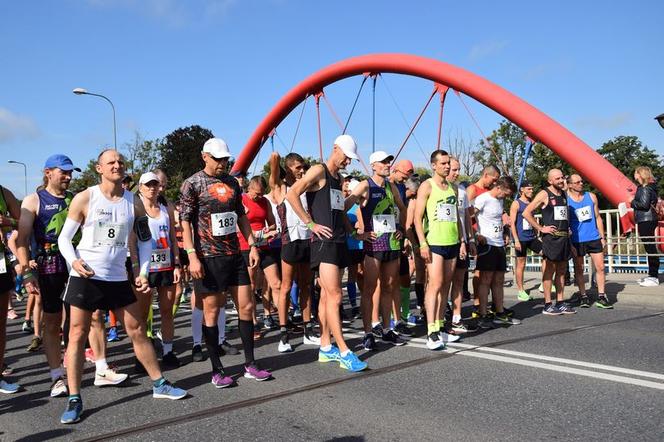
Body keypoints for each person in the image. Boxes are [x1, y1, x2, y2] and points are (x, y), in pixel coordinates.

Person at [57, 149, 186, 424]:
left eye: (120, 162)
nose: (117, 165)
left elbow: (143, 239)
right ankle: (74, 398)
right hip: (87, 275)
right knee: (78, 334)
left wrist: (142, 271)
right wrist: (74, 262)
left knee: (137, 328)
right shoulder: (86, 197)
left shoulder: (132, 202)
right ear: (99, 168)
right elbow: (64, 239)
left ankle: (160, 384)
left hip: (117, 276)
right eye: (111, 162)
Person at [180, 138, 272, 389]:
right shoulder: (193, 184)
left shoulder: (232, 182)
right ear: (205, 156)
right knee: (212, 311)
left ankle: (251, 364)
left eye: (225, 159)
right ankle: (217, 370)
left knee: (246, 305)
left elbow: (241, 216)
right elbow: (185, 221)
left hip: (235, 254)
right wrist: (191, 255)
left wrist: (252, 244)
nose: (223, 163)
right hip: (209, 257)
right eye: (218, 158)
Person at [286, 134, 367, 371]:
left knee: (325, 297)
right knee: (335, 295)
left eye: (351, 159)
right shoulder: (318, 170)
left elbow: (339, 209)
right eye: (346, 156)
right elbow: (292, 194)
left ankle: (325, 347)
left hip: (339, 241)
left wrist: (354, 232)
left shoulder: (338, 177)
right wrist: (309, 223)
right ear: (335, 149)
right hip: (323, 243)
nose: (348, 162)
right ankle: (343, 350)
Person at [346, 150, 408, 350]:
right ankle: (368, 332)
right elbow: (343, 208)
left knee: (390, 286)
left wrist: (401, 229)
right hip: (373, 245)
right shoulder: (366, 185)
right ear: (373, 165)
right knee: (370, 289)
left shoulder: (392, 186)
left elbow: (403, 208)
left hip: (391, 243)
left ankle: (388, 329)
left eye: (389, 162)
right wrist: (356, 234)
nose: (387, 165)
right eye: (383, 162)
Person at [413, 150, 466, 350]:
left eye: (448, 163)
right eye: (443, 163)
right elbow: (417, 218)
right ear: (433, 165)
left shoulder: (453, 188)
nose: (446, 166)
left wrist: (462, 240)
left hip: (452, 241)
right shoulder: (427, 186)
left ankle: (442, 326)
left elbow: (456, 218)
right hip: (434, 242)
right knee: (434, 284)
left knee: (446, 285)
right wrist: (422, 244)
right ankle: (431, 330)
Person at [270, 152, 321, 353]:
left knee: (306, 285)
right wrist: (275, 156)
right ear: (289, 168)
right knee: (286, 286)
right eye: (298, 167)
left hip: (307, 241)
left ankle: (308, 330)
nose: (302, 171)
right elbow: (274, 172)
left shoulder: (306, 187)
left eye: (303, 167)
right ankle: (284, 335)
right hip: (289, 242)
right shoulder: (281, 188)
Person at [136, 172, 183, 367]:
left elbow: (173, 238)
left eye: (155, 184)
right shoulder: (136, 208)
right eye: (148, 185)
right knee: (142, 313)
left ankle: (168, 352)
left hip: (166, 266)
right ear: (140, 187)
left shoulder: (166, 207)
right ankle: (141, 355)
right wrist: (136, 269)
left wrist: (178, 264)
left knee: (166, 311)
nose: (152, 188)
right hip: (146, 268)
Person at [522, 169, 576, 315]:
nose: (561, 180)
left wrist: (568, 233)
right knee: (549, 271)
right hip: (551, 239)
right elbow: (526, 212)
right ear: (550, 181)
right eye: (557, 178)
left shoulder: (564, 194)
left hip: (564, 238)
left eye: (562, 177)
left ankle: (560, 301)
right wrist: (541, 228)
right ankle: (547, 304)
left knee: (562, 271)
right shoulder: (544, 193)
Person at [473, 176, 521, 328]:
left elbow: (499, 219)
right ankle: (482, 314)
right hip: (486, 244)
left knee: (499, 280)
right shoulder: (483, 199)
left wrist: (505, 232)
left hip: (499, 244)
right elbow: (469, 216)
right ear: (499, 187)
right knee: (485, 279)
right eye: (506, 193)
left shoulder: (500, 201)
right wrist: (475, 235)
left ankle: (499, 312)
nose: (506, 197)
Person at [238, 176, 280, 332]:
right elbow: (239, 226)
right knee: (251, 286)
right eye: (256, 194)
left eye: (262, 193)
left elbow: (272, 221)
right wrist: (258, 234)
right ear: (249, 189)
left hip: (264, 246)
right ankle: (253, 321)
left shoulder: (265, 201)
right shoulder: (241, 200)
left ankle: (272, 316)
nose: (259, 197)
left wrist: (270, 230)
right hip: (246, 246)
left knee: (275, 283)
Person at [566, 174, 612, 308]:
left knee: (601, 267)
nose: (581, 183)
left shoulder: (591, 196)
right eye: (577, 182)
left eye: (581, 181)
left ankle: (602, 296)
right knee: (579, 269)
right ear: (570, 185)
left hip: (593, 237)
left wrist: (602, 237)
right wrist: (569, 242)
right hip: (577, 239)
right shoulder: (567, 201)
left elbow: (597, 217)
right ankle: (583, 296)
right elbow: (566, 222)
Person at [447, 158, 477, 334]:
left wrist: (470, 240)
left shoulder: (462, 190)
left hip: (462, 242)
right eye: (453, 169)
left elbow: (466, 217)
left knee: (458, 281)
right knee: (441, 283)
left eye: (458, 170)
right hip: (444, 242)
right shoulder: (434, 188)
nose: (457, 173)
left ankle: (457, 318)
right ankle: (440, 318)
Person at [466, 165, 500, 316]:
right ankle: (477, 303)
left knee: (490, 274)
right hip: (476, 236)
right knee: (479, 272)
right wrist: (474, 234)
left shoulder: (490, 192)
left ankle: (490, 304)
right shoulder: (473, 189)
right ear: (486, 175)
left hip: (490, 238)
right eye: (494, 179)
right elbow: (466, 215)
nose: (494, 183)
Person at [389, 159, 417, 335]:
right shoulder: (383, 185)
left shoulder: (400, 187)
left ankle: (404, 314)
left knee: (405, 278)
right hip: (383, 239)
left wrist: (405, 235)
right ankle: (390, 317)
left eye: (408, 176)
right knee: (389, 281)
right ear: (395, 170)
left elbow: (403, 212)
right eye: (405, 175)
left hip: (399, 237)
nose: (406, 178)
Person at [0, 184, 21, 394]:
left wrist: (8, 222)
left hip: (0, 263)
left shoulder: (4, 193)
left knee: (0, 324)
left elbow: (22, 222)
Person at [509, 181, 542, 301]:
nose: (531, 191)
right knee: (521, 264)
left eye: (532, 189)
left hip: (531, 237)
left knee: (547, 255)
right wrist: (516, 240)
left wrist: (537, 232)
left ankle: (545, 283)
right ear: (522, 190)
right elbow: (512, 223)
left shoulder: (531, 203)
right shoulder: (516, 203)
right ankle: (521, 291)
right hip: (521, 238)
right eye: (529, 189)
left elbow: (531, 219)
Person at [630, 166, 660, 287]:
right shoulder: (650, 187)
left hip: (646, 220)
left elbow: (643, 204)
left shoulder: (645, 188)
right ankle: (652, 275)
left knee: (650, 247)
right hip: (649, 219)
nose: (634, 175)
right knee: (650, 246)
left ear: (640, 175)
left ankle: (653, 276)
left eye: (636, 173)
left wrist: (631, 201)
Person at [344, 179, 363, 321]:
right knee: (352, 274)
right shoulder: (346, 206)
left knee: (363, 274)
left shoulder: (363, 205)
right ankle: (353, 304)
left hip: (364, 244)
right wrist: (353, 227)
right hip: (351, 245)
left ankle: (364, 302)